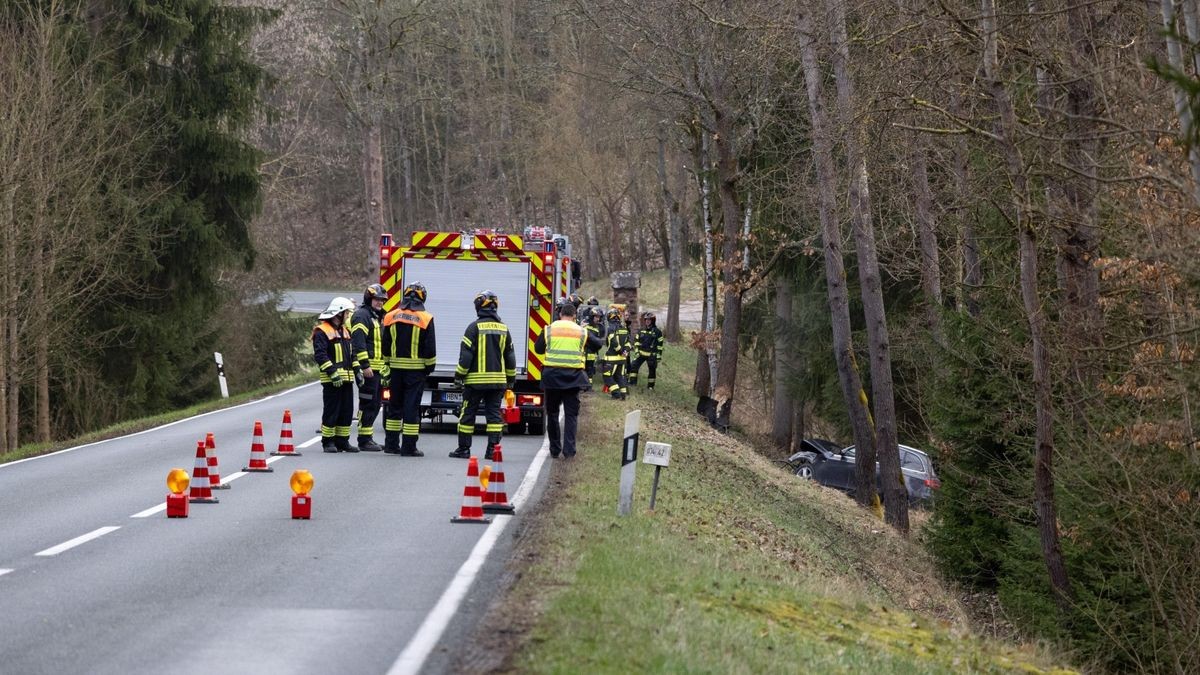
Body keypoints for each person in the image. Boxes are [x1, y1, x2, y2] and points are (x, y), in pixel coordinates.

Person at [450, 290, 516, 460]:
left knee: (467, 414)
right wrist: (511, 379)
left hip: (475, 382)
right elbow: (510, 356)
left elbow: (466, 356)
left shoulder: (473, 328)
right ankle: (493, 451)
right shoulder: (504, 329)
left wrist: (459, 376)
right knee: (494, 415)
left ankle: (463, 449)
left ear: (479, 306)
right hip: (497, 383)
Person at [533, 301, 603, 458]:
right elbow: (598, 345)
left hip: (552, 378)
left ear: (560, 315)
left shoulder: (549, 329)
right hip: (573, 378)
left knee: (552, 413)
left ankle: (554, 449)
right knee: (571, 415)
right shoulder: (581, 331)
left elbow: (537, 349)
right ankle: (569, 451)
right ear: (574, 316)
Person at [381, 282, 436, 456]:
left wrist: (388, 364)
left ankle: (391, 445)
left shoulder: (391, 316)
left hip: (396, 370)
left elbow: (386, 345)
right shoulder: (426, 318)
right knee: (411, 408)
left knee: (394, 406)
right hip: (416, 372)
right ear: (422, 298)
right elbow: (430, 348)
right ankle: (409, 447)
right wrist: (428, 368)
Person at [313, 296, 359, 453]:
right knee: (332, 411)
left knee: (346, 411)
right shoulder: (322, 331)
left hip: (346, 379)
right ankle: (328, 442)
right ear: (339, 313)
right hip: (331, 380)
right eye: (346, 313)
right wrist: (332, 373)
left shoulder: (345, 331)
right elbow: (320, 355)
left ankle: (343, 442)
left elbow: (353, 354)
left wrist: (357, 371)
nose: (348, 316)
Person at [350, 283, 389, 452]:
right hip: (368, 370)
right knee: (367, 404)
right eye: (377, 299)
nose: (380, 303)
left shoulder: (376, 316)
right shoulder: (362, 316)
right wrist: (364, 365)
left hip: (378, 369)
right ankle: (363, 439)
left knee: (375, 404)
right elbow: (359, 343)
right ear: (369, 299)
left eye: (382, 300)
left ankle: (368, 438)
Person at [628, 311, 665, 389]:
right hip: (641, 354)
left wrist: (658, 355)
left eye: (649, 320)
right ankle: (632, 382)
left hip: (651, 355)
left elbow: (660, 345)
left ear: (653, 320)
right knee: (633, 366)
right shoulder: (641, 330)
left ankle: (650, 387)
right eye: (646, 320)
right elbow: (637, 341)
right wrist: (637, 351)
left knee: (652, 371)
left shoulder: (657, 332)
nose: (647, 321)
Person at [601, 307, 630, 400]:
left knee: (607, 376)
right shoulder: (624, 328)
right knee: (620, 376)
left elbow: (613, 341)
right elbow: (629, 342)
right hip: (622, 359)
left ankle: (616, 393)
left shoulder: (611, 328)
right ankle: (623, 394)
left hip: (612, 358)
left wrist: (620, 351)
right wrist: (625, 351)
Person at [584, 306, 604, 383]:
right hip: (584, 352)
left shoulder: (599, 328)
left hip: (592, 353)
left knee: (590, 371)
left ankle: (588, 387)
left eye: (599, 317)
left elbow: (599, 341)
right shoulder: (585, 325)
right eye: (596, 317)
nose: (598, 319)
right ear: (592, 316)